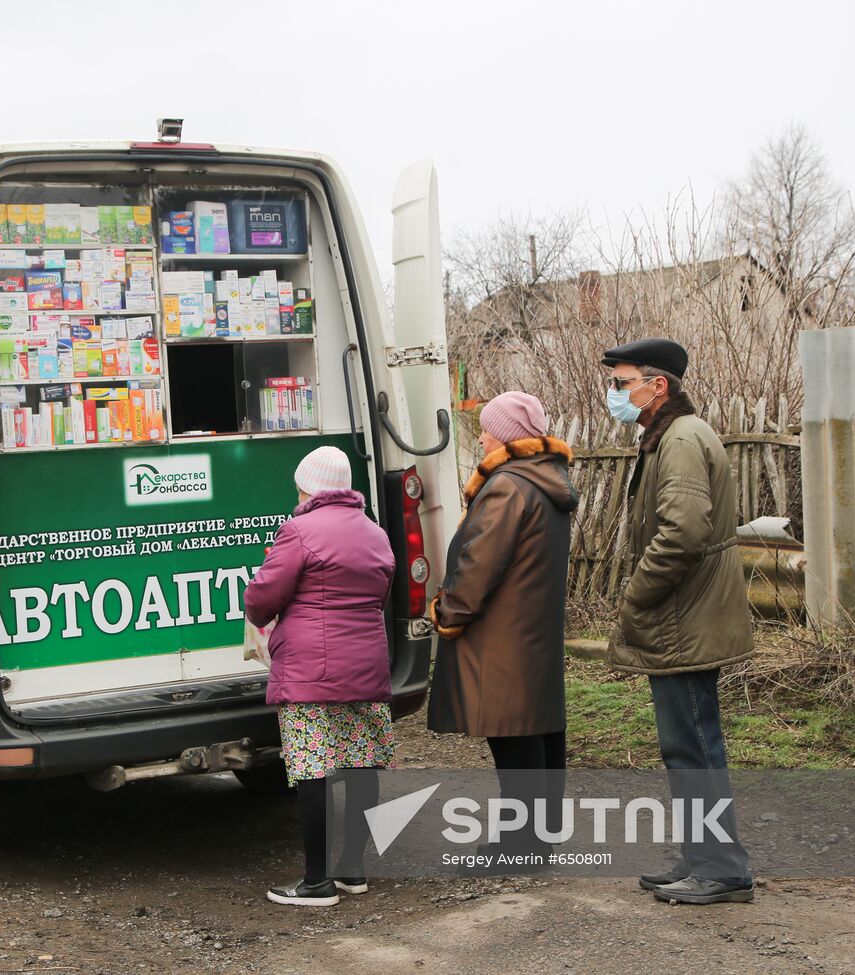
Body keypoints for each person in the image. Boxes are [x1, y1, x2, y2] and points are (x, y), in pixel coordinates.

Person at [602, 338, 755, 905]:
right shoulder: (669, 435)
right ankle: (702, 857)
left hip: (684, 620)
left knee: (695, 746)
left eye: (621, 384)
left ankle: (722, 869)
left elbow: (683, 533)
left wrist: (637, 595)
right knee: (686, 745)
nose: (614, 395)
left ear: (656, 384)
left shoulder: (683, 439)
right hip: (682, 620)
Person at [427, 391, 578, 861]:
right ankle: (538, 836)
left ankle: (522, 843)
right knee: (537, 731)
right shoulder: (546, 479)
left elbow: (479, 562)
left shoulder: (508, 486)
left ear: (508, 436)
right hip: (531, 630)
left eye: (490, 429)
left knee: (513, 738)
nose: (485, 436)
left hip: (500, 634)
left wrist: (447, 612)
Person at [244, 445, 396, 908]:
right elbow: (381, 594)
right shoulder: (375, 533)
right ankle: (353, 869)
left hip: (311, 669)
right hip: (366, 663)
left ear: (307, 486)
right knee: (360, 763)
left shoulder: (299, 531)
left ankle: (316, 882)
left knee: (313, 770)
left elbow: (261, 600)